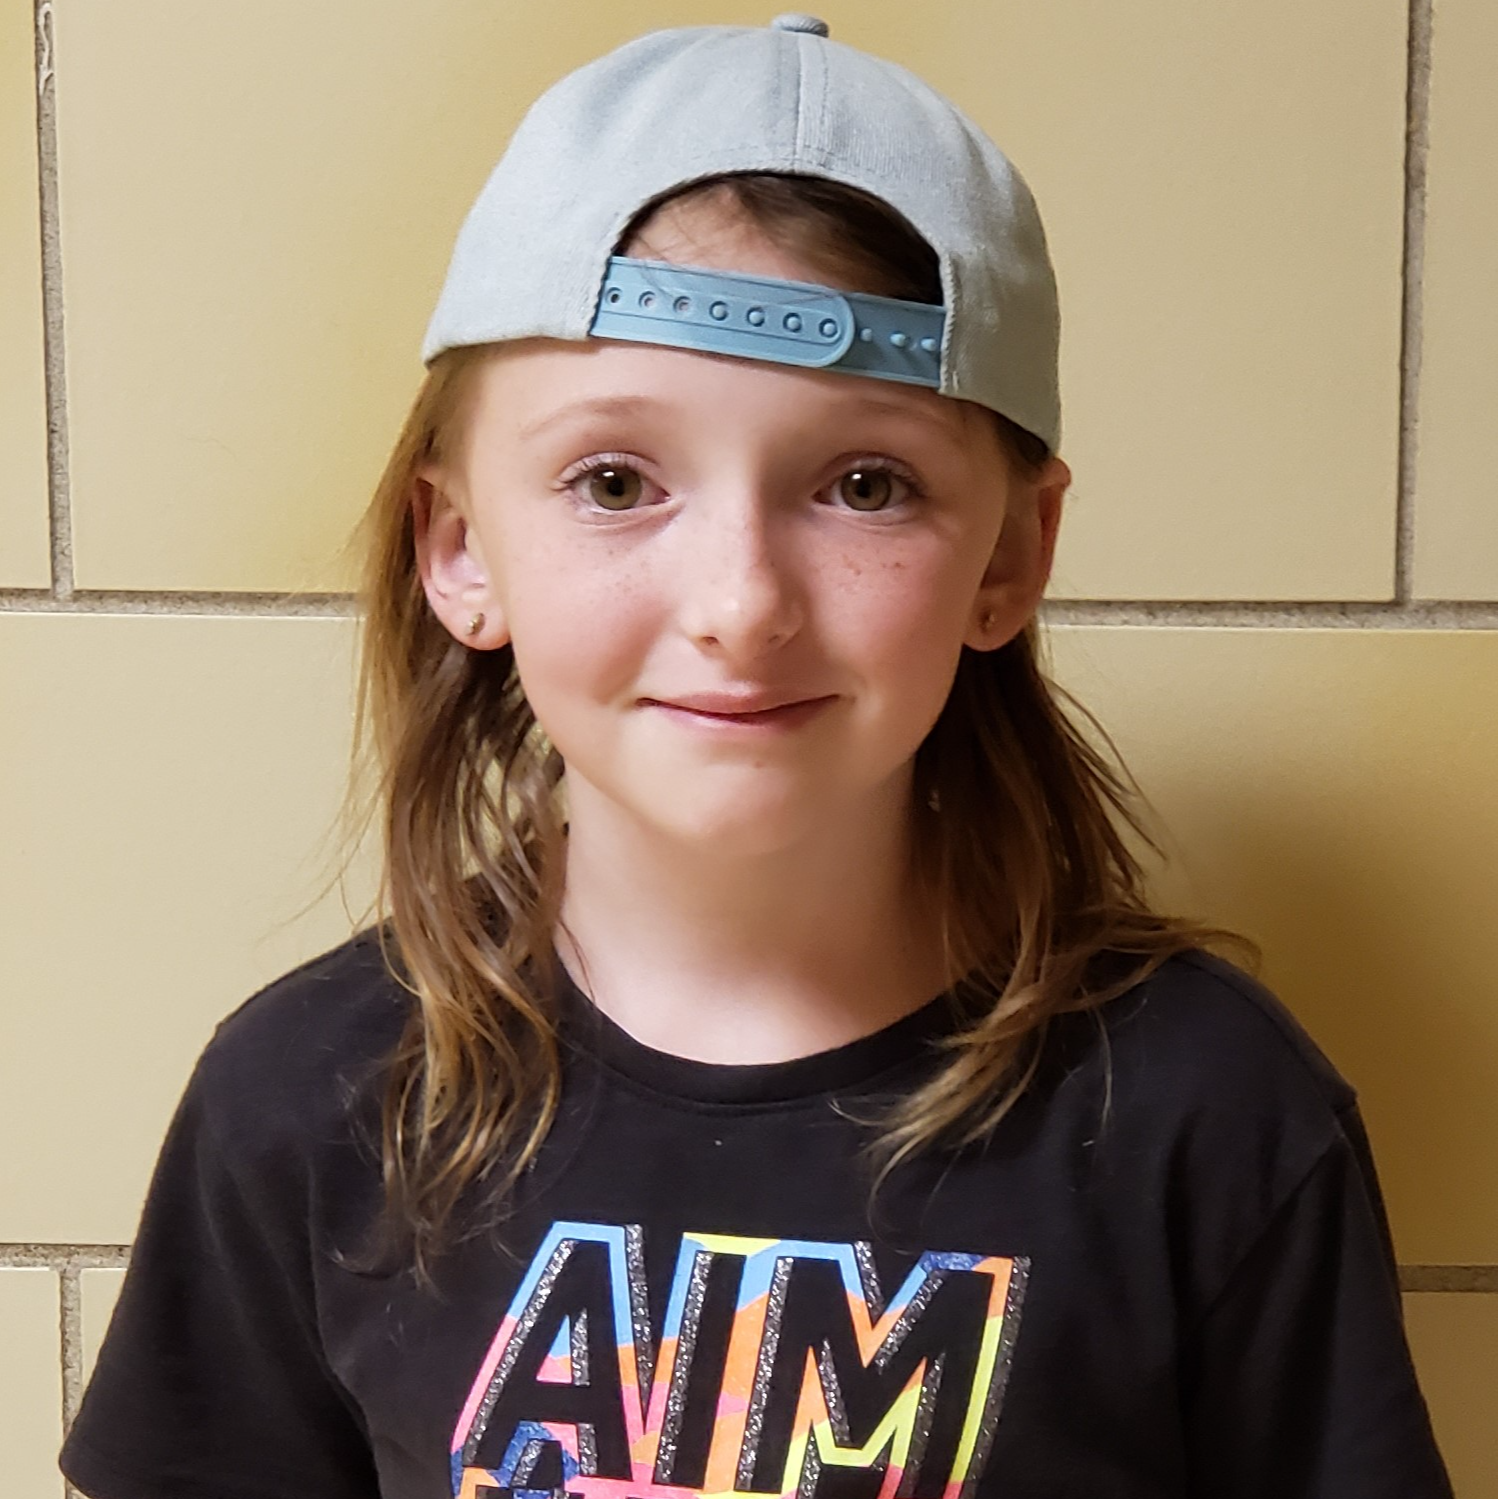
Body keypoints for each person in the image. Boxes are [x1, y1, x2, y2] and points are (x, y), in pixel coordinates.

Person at [60, 15, 1453, 1499]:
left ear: (1009, 553)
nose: (739, 604)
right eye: (615, 480)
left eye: (864, 484)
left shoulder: (1210, 1112)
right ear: (460, 549)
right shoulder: (306, 1099)